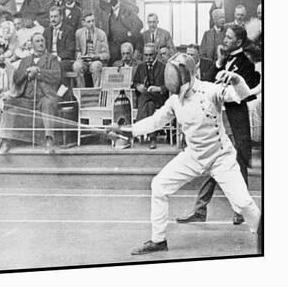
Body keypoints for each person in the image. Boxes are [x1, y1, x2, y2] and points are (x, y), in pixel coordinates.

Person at [110, 53, 261, 255]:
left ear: (186, 73)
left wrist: (236, 80)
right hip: (193, 155)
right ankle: (158, 240)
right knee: (159, 186)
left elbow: (242, 95)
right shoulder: (174, 101)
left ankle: (263, 232)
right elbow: (154, 122)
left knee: (243, 203)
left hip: (220, 156)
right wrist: (125, 130)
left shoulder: (210, 90)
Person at [176, 25, 260, 225]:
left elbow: (243, 93)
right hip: (217, 118)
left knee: (237, 164)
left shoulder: (247, 63)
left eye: (229, 38)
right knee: (215, 163)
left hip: (234, 120)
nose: (225, 40)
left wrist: (224, 88)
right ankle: (200, 210)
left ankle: (240, 210)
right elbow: (208, 83)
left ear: (238, 42)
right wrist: (220, 62)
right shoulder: (226, 60)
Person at [0, 33, 61, 154]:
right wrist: (27, 71)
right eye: (37, 41)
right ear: (32, 44)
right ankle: (6, 141)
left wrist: (38, 71)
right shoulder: (26, 60)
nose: (41, 43)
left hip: (43, 97)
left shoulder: (52, 59)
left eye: (42, 41)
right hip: (26, 99)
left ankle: (49, 141)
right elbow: (16, 78)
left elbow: (56, 76)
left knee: (48, 104)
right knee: (9, 102)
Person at [132, 43, 167, 150]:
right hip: (148, 102)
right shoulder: (141, 67)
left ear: (156, 54)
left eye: (151, 55)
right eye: (146, 55)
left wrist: (159, 88)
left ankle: (137, 127)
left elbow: (169, 86)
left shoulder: (163, 67)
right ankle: (152, 138)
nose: (148, 58)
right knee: (150, 105)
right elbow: (135, 82)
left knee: (145, 96)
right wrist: (138, 86)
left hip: (159, 99)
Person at [101, 0, 144, 64]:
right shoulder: (107, 12)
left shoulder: (127, 10)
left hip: (128, 44)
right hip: (114, 47)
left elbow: (139, 24)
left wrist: (130, 33)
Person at [72, 12, 110, 87]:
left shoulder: (101, 34)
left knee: (96, 65)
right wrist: (78, 54)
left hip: (96, 60)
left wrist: (97, 56)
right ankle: (81, 92)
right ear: (83, 23)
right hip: (84, 61)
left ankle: (97, 92)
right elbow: (77, 50)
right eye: (88, 21)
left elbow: (107, 55)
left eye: (93, 21)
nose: (91, 23)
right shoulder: (78, 33)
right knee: (77, 66)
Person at [43, 6, 76, 85]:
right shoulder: (47, 31)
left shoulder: (68, 30)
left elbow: (70, 50)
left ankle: (62, 91)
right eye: (51, 17)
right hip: (50, 58)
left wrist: (58, 57)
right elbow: (44, 47)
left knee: (59, 66)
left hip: (64, 60)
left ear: (61, 17)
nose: (53, 19)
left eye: (55, 16)